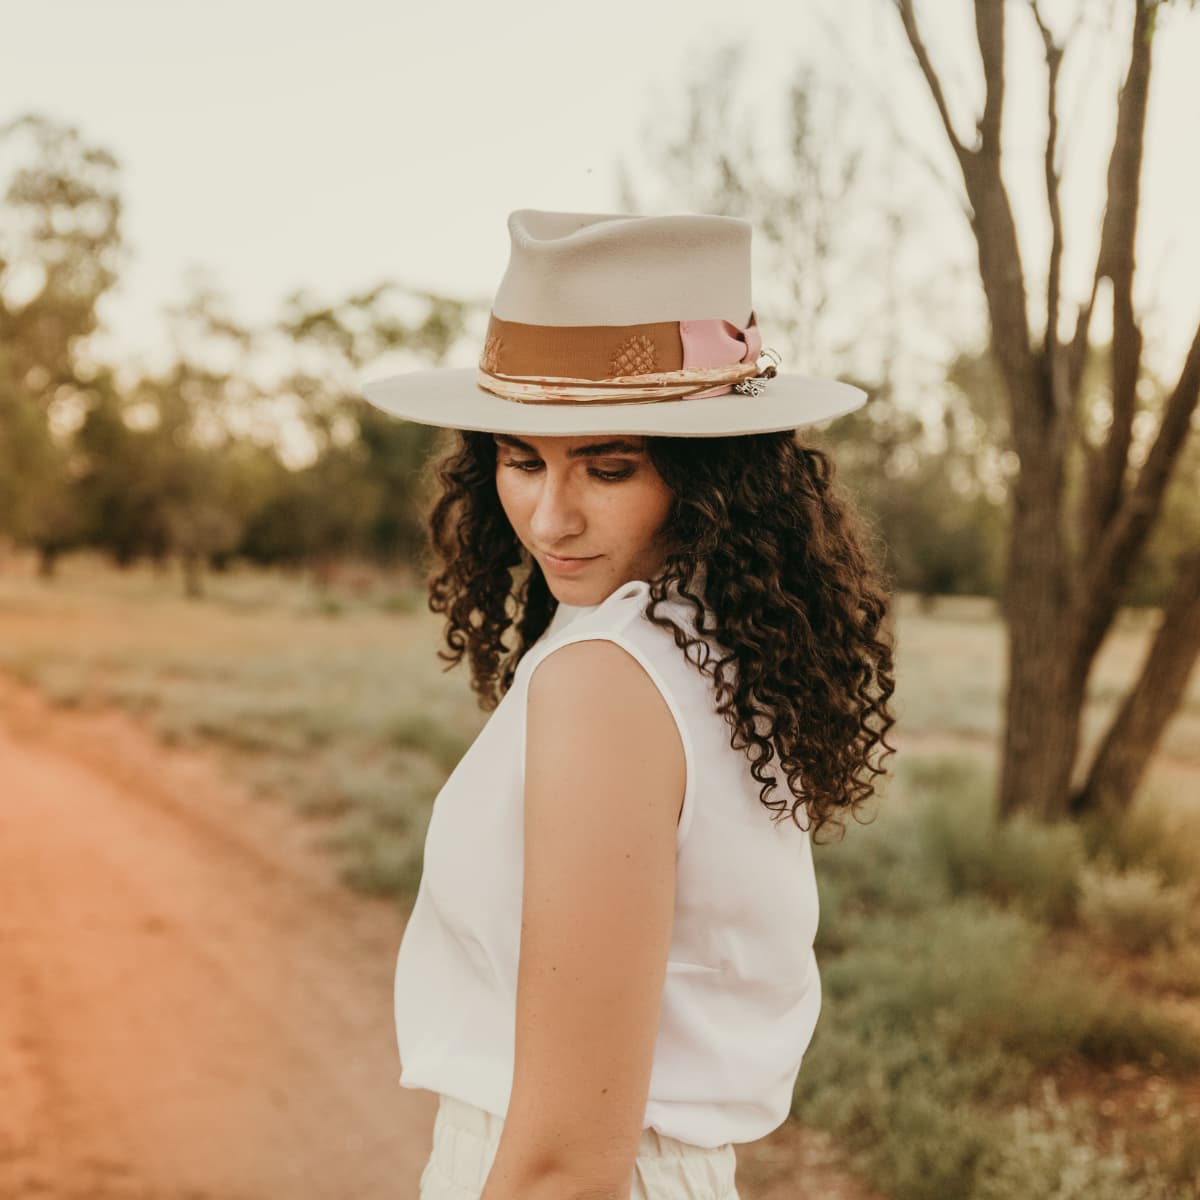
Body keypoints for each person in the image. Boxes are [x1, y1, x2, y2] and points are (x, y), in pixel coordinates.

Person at [360, 209, 897, 1200]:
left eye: (608, 468)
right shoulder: (709, 647)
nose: (552, 517)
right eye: (523, 460)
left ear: (712, 481)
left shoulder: (610, 680)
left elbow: (567, 1164)